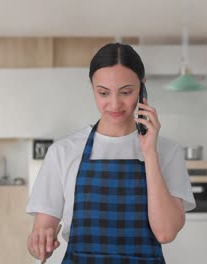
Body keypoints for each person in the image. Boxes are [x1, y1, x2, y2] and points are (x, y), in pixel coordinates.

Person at [26, 42, 196, 263]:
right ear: (92, 87)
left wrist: (149, 153)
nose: (114, 104)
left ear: (142, 87)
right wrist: (40, 244)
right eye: (103, 93)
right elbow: (41, 232)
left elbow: (166, 232)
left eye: (126, 92)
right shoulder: (63, 152)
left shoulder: (167, 151)